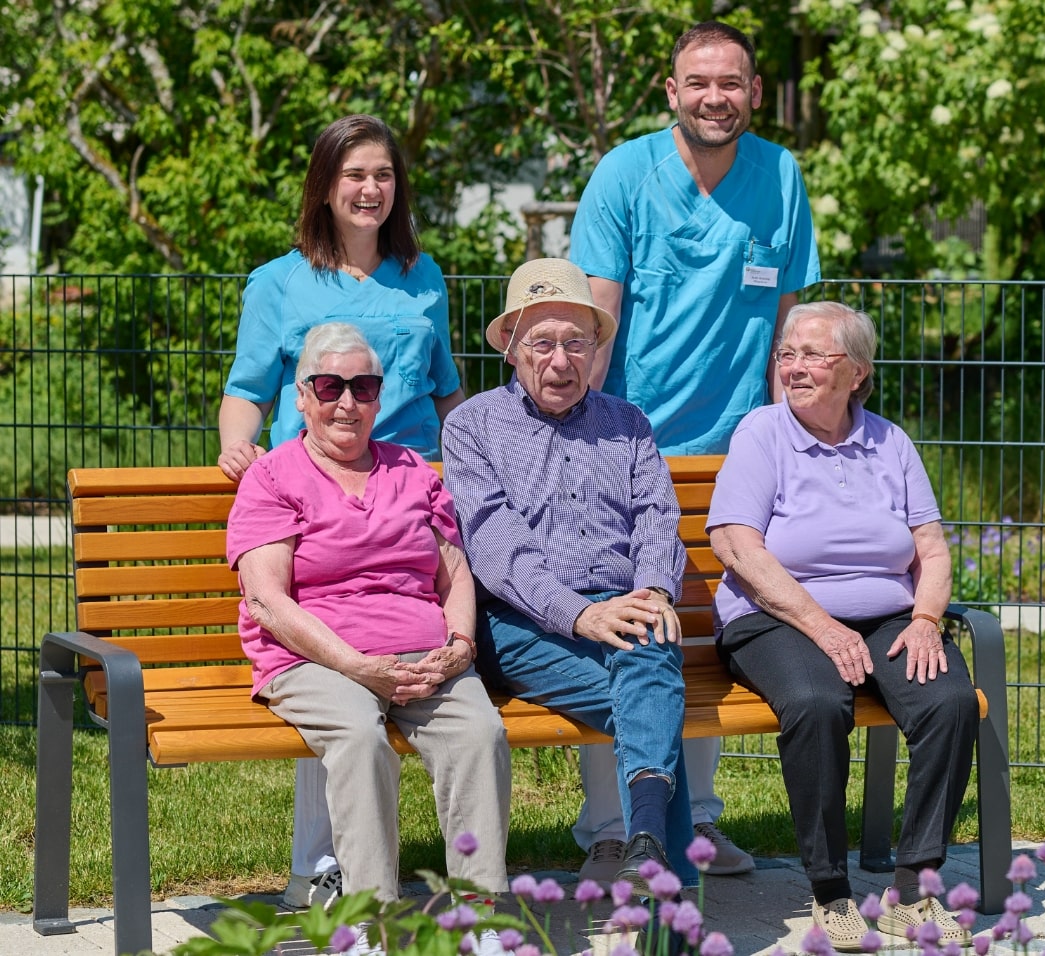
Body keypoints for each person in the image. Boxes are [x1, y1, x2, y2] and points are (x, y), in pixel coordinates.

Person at [567, 18, 822, 885]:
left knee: (709, 627)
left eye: (733, 83)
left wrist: (791, 432)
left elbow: (788, 318)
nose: (716, 96)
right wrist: (581, 434)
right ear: (672, 92)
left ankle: (701, 826)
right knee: (627, 626)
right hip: (625, 444)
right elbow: (596, 313)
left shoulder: (780, 178)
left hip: (736, 452)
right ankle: (607, 827)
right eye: (698, 82)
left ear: (753, 93)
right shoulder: (624, 176)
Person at [217, 114, 465, 909]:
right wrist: (237, 448)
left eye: (383, 176)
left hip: (409, 498)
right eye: (354, 174)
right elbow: (248, 388)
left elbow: (446, 387)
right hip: (317, 498)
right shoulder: (276, 281)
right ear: (325, 186)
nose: (370, 189)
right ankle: (318, 867)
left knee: (399, 654)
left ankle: (352, 875)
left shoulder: (423, 276)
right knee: (327, 663)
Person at [226, 323, 510, 956]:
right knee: (358, 736)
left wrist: (461, 642)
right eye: (330, 385)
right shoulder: (272, 477)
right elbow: (267, 599)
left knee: (479, 733)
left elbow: (454, 570)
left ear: (381, 397)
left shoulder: (412, 470)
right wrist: (358, 666)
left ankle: (476, 916)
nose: (347, 401)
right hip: (313, 657)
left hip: (422, 654)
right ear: (302, 395)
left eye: (364, 386)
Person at [705, 301, 978, 951]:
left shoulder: (891, 442)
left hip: (887, 612)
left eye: (812, 355)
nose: (793, 367)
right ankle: (830, 889)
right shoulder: (761, 434)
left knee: (949, 700)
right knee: (816, 701)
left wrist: (925, 619)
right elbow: (736, 545)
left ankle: (914, 887)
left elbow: (932, 552)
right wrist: (823, 628)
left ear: (856, 371)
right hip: (777, 615)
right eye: (787, 354)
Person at [441, 256, 697, 901]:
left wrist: (654, 591)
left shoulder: (627, 423)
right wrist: (580, 614)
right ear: (511, 350)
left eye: (576, 343)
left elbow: (657, 521)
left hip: (626, 609)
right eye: (543, 343)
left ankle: (645, 848)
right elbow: (496, 547)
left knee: (648, 655)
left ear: (595, 350)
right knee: (654, 696)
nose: (561, 360)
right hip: (520, 624)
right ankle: (669, 884)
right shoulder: (471, 427)